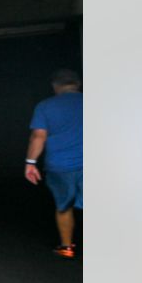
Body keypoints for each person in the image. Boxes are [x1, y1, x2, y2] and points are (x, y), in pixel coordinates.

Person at [25, 68, 83, 258]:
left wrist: (30, 163)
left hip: (60, 167)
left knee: (64, 206)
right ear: (78, 84)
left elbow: (38, 136)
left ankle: (67, 247)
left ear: (55, 86)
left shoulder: (46, 106)